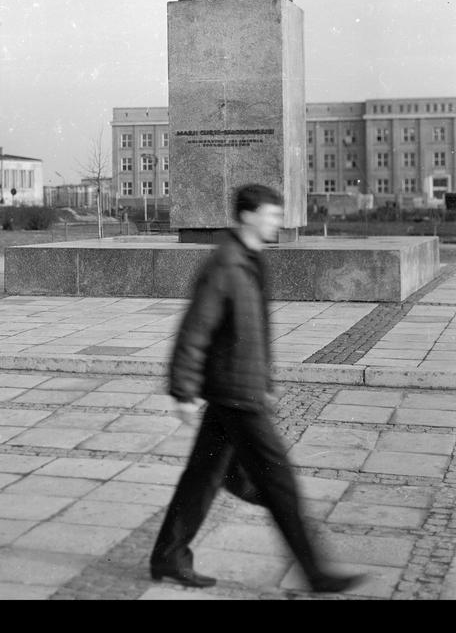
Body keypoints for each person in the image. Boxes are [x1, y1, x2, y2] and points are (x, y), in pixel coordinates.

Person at [149, 183, 364, 595]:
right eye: (271, 214)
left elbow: (253, 333)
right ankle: (316, 572)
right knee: (279, 483)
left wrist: (264, 381)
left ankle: (168, 555)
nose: (277, 222)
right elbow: (195, 329)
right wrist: (182, 390)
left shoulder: (249, 261)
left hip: (237, 390)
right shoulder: (226, 265)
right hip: (234, 395)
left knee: (201, 478)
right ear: (248, 215)